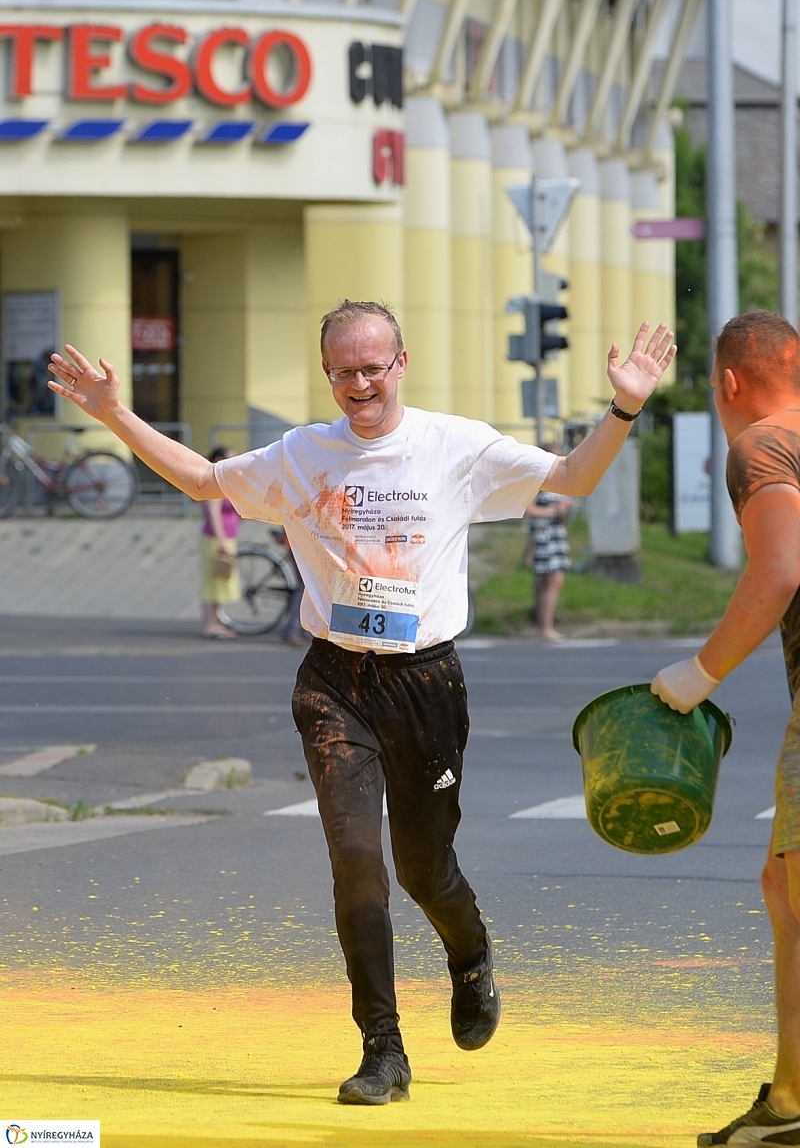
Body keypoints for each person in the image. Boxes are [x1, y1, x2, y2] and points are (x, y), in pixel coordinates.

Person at [48, 300, 675, 1106]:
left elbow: (573, 477)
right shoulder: (303, 455)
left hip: (426, 684)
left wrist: (624, 406)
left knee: (422, 867)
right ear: (326, 374)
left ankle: (470, 951)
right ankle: (383, 1046)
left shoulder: (457, 446)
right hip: (335, 682)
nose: (359, 383)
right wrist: (116, 414)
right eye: (343, 369)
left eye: (373, 366)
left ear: (401, 362)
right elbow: (206, 479)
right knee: (356, 860)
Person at [651, 310, 800, 1147]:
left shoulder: (763, 446)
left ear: (729, 383)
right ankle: (789, 1096)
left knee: (798, 895)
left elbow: (780, 569)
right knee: (786, 887)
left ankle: (792, 1108)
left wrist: (699, 672)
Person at [524, 443, 573, 641]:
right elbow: (529, 509)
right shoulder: (537, 480)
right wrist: (553, 511)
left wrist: (565, 506)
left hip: (556, 532)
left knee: (553, 580)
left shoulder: (559, 481)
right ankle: (545, 625)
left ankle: (545, 623)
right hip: (544, 533)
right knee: (551, 579)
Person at [200, 445, 241, 640]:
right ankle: (211, 623)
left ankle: (216, 621)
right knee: (213, 581)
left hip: (227, 537)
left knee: (220, 581)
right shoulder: (215, 482)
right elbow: (213, 513)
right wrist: (222, 541)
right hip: (216, 539)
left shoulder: (226, 482)